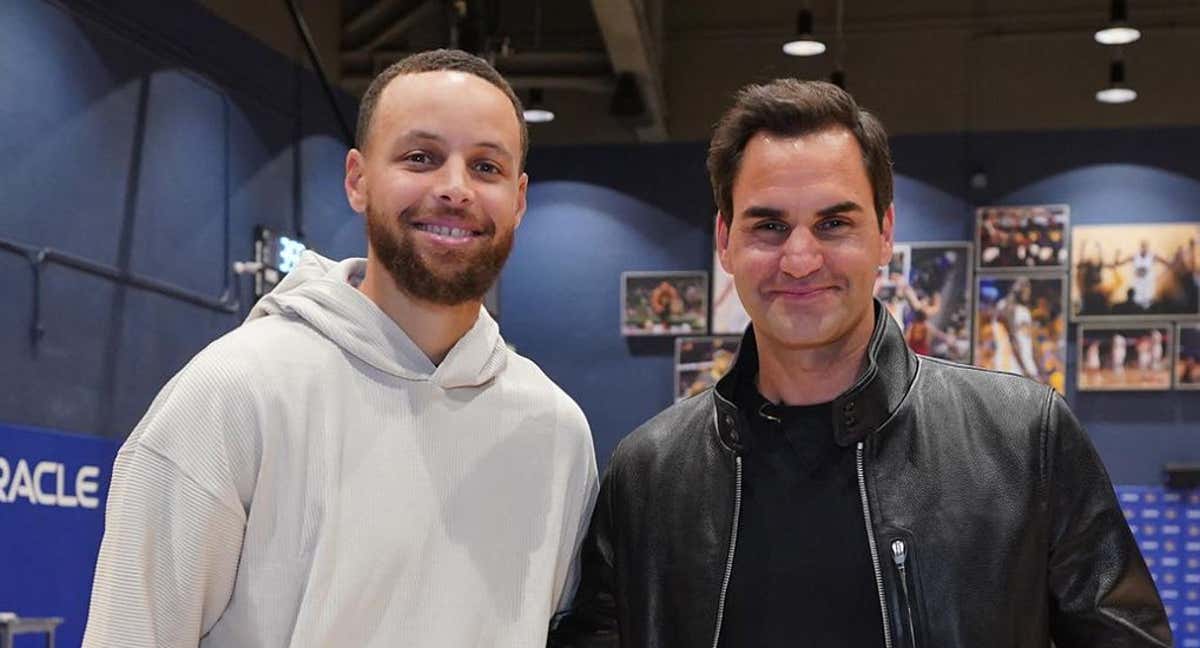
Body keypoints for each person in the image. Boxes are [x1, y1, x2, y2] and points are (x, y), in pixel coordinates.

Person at [549, 79, 1169, 647]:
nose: (799, 258)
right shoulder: (648, 473)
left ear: (885, 233)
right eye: (769, 225)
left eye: (834, 223)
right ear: (725, 240)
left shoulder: (1024, 438)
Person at [83, 49, 598, 647]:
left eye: (486, 167)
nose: (455, 189)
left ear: (520, 198)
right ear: (358, 179)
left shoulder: (555, 431)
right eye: (421, 158)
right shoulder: (232, 393)